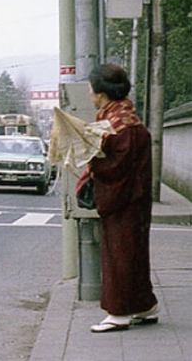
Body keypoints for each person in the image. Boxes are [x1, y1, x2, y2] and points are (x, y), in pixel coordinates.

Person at [86, 63, 159, 333]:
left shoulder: (119, 125)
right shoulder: (127, 118)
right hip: (135, 198)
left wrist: (92, 163)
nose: (90, 96)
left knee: (119, 255)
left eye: (92, 91)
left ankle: (118, 313)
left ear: (102, 94)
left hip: (123, 200)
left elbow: (116, 166)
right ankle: (144, 306)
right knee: (135, 254)